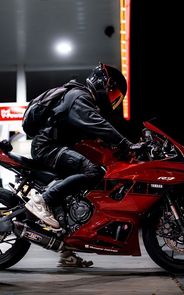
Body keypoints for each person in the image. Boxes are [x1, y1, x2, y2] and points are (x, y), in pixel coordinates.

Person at [25, 62, 134, 267]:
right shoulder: (80, 96)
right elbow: (98, 125)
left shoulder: (82, 99)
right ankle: (41, 201)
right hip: (47, 147)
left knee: (71, 197)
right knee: (92, 171)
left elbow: (93, 133)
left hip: (54, 147)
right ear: (103, 84)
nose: (112, 101)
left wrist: (115, 146)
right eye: (113, 94)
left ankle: (66, 254)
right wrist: (125, 143)